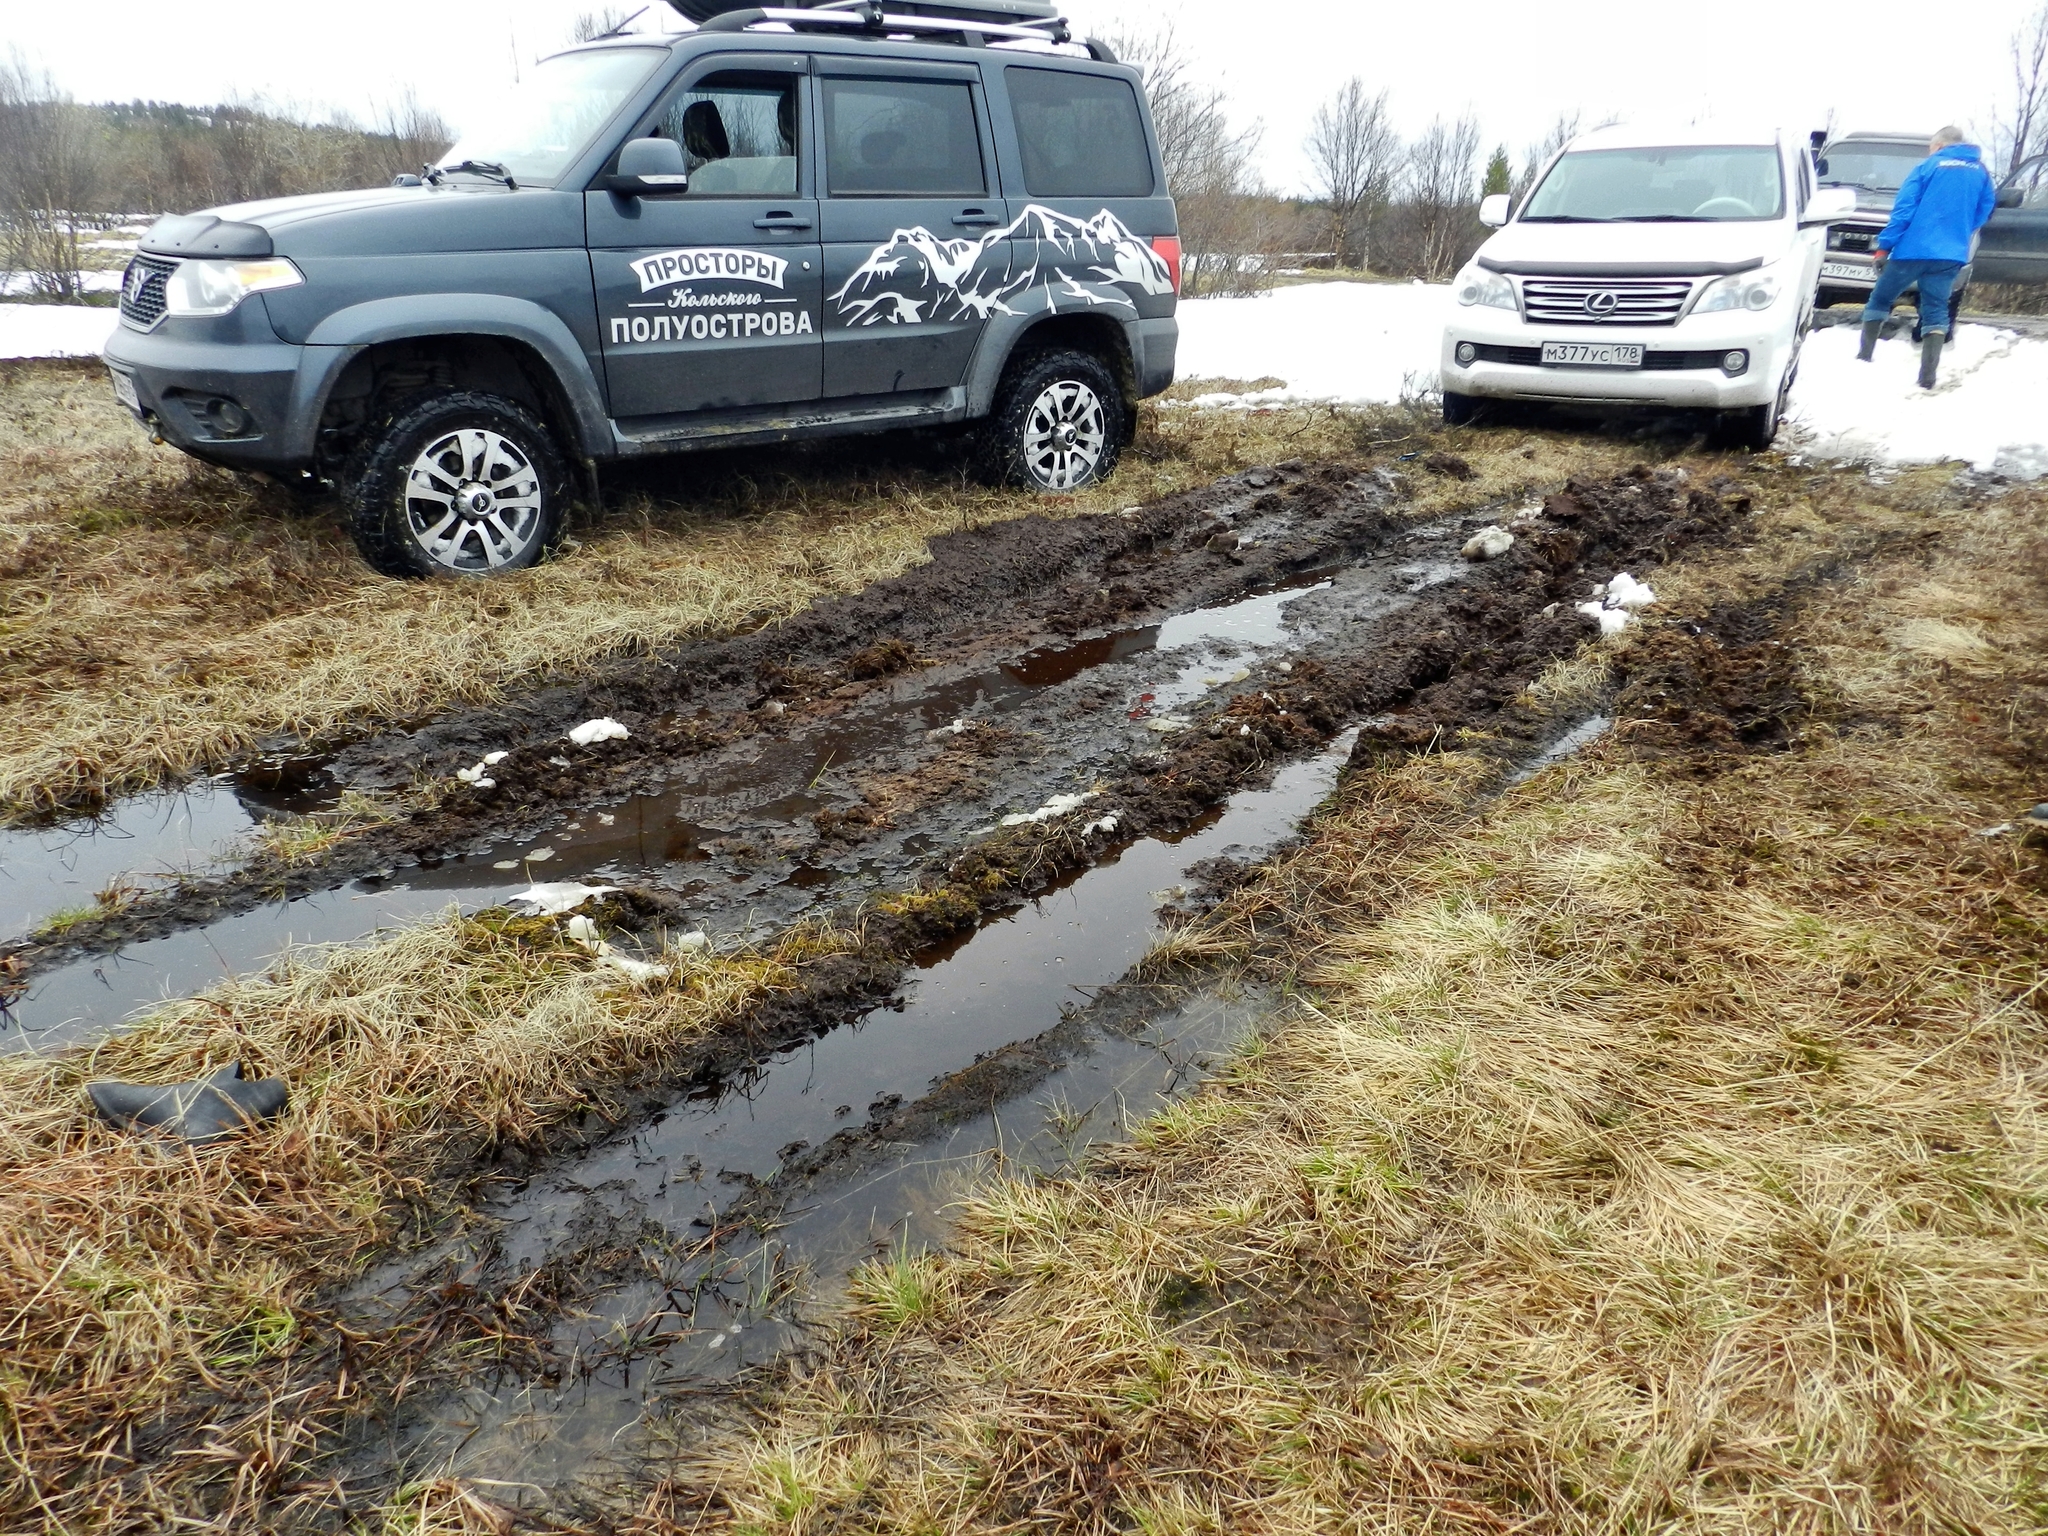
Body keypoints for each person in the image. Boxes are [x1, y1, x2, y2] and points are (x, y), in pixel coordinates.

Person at [1857, 127, 1996, 388]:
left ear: (1940, 146)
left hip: (1911, 251)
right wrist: (1960, 230)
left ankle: (1863, 360)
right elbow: (1985, 209)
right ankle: (1927, 378)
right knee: (1935, 311)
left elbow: (1904, 210)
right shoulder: (1982, 172)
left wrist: (1884, 247)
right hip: (1950, 255)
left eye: (1931, 147)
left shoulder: (1927, 166)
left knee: (1880, 299)